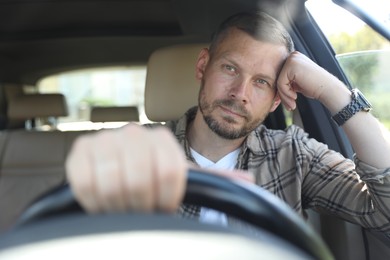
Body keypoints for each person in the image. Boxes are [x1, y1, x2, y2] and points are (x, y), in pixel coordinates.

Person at [66, 12, 390, 232]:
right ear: (203, 67)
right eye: (230, 69)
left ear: (277, 98)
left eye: (262, 82)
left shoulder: (294, 155)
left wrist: (332, 90)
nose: (240, 94)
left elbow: (385, 211)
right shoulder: (134, 152)